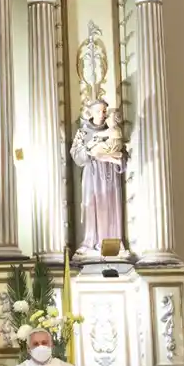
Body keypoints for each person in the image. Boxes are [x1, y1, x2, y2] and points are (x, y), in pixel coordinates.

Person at [70, 99, 124, 253]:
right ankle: (91, 241)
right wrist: (90, 151)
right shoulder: (83, 132)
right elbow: (76, 154)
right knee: (91, 205)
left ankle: (111, 244)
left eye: (104, 111)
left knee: (110, 206)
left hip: (110, 174)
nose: (102, 114)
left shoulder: (113, 130)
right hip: (92, 174)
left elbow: (122, 153)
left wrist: (115, 158)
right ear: (91, 113)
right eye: (98, 111)